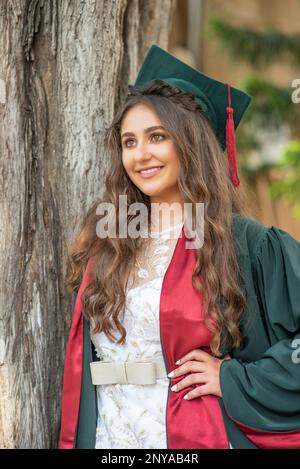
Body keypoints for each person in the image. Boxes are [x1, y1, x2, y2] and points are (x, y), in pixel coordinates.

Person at [59, 44, 300, 449]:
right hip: (107, 436)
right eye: (129, 141)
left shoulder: (243, 243)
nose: (141, 154)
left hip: (189, 435)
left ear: (190, 143)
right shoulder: (110, 241)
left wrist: (234, 379)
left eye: (157, 137)